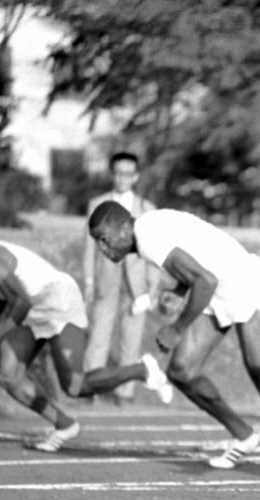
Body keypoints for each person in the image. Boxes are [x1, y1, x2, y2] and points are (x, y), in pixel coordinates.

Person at [87, 201, 260, 468]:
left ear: (123, 227)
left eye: (103, 237)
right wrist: (177, 291)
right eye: (97, 241)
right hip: (219, 291)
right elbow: (199, 259)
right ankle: (246, 436)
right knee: (182, 371)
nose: (102, 247)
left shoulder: (148, 237)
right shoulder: (148, 227)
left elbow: (204, 279)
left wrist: (176, 328)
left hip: (244, 284)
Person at [0, 240, 174, 451]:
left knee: (74, 385)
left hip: (56, 299)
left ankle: (141, 369)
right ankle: (64, 424)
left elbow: (21, 302)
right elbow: (7, 299)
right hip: (30, 309)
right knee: (7, 375)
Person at [83, 151, 160, 406]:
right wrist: (89, 280)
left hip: (136, 281)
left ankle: (124, 393)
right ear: (112, 174)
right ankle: (90, 388)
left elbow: (152, 253)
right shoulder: (97, 203)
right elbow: (89, 247)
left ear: (135, 176)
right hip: (106, 276)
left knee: (131, 340)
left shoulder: (147, 208)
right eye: (118, 173)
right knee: (98, 336)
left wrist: (152, 290)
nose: (122, 178)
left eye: (128, 173)